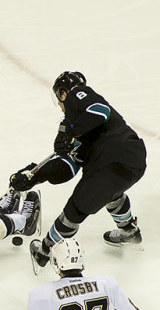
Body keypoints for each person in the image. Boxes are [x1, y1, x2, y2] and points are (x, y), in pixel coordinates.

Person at [9, 71, 146, 270]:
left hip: (111, 159)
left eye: (59, 99)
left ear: (62, 93)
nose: (60, 105)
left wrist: (68, 129)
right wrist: (36, 176)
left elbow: (101, 110)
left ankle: (44, 251)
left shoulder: (77, 94)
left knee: (76, 209)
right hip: (133, 161)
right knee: (109, 192)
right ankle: (129, 232)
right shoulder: (83, 131)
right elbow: (67, 169)